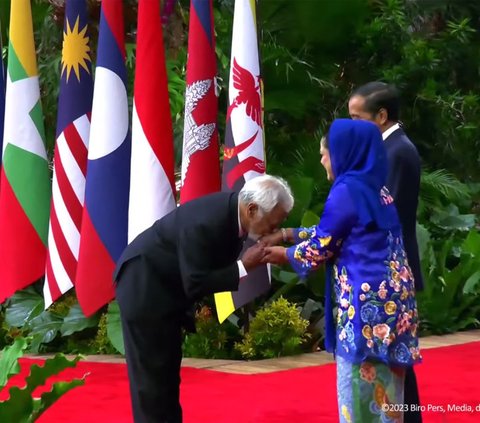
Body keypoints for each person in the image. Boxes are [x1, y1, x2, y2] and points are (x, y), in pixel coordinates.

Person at [262, 119, 421, 423]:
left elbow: (323, 245)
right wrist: (288, 235)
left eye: (326, 152)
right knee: (388, 391)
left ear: (343, 153)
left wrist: (282, 254)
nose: (322, 158)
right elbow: (339, 232)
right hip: (395, 303)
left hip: (366, 307)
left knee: (358, 390)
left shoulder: (346, 190)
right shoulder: (376, 187)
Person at [114, 174, 293, 423]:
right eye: (272, 225)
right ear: (252, 209)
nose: (272, 231)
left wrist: (281, 238)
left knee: (166, 376)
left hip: (167, 292)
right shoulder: (207, 222)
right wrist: (243, 266)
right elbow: (195, 283)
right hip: (144, 287)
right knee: (151, 381)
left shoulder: (236, 214)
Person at [349, 82, 423, 422]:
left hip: (389, 270)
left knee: (394, 358)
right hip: (383, 268)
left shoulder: (397, 152)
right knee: (394, 357)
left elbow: (384, 212)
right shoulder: (384, 148)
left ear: (381, 116)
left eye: (357, 117)